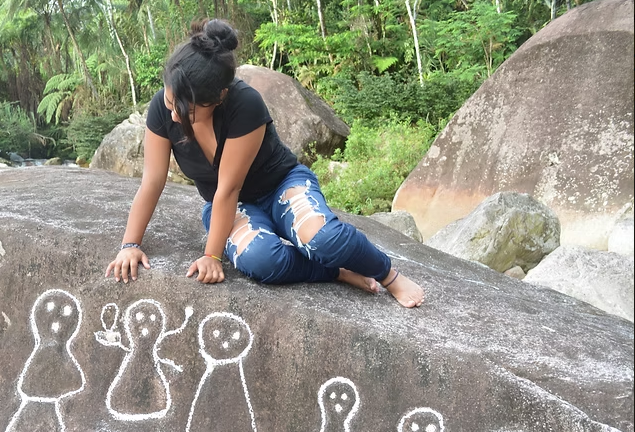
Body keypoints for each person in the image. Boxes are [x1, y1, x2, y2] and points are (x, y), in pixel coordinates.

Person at [105, 19, 425, 308]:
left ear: (219, 98)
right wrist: (130, 244)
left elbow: (229, 188)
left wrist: (212, 255)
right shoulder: (163, 109)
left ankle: (388, 275)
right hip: (231, 206)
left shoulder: (244, 104)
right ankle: (336, 272)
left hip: (280, 184)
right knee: (259, 259)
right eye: (169, 101)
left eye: (187, 111)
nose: (174, 115)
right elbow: (152, 181)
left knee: (322, 239)